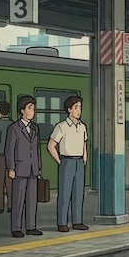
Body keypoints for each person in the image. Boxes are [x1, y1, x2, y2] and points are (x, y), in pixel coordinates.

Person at [47, 96, 89, 232]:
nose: (79, 110)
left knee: (79, 194)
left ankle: (77, 221)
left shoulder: (82, 127)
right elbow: (51, 145)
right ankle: (62, 223)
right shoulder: (61, 126)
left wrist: (84, 160)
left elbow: (84, 145)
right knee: (64, 194)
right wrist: (60, 161)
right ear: (69, 109)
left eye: (80, 107)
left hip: (79, 162)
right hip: (66, 161)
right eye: (76, 107)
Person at [6, 95, 43, 238]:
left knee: (32, 200)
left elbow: (37, 149)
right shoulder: (14, 128)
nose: (32, 111)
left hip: (33, 169)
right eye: (30, 108)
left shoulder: (35, 128)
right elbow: (9, 149)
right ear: (22, 110)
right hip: (20, 169)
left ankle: (31, 226)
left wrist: (39, 167)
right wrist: (11, 168)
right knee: (18, 200)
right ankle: (16, 228)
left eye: (33, 108)